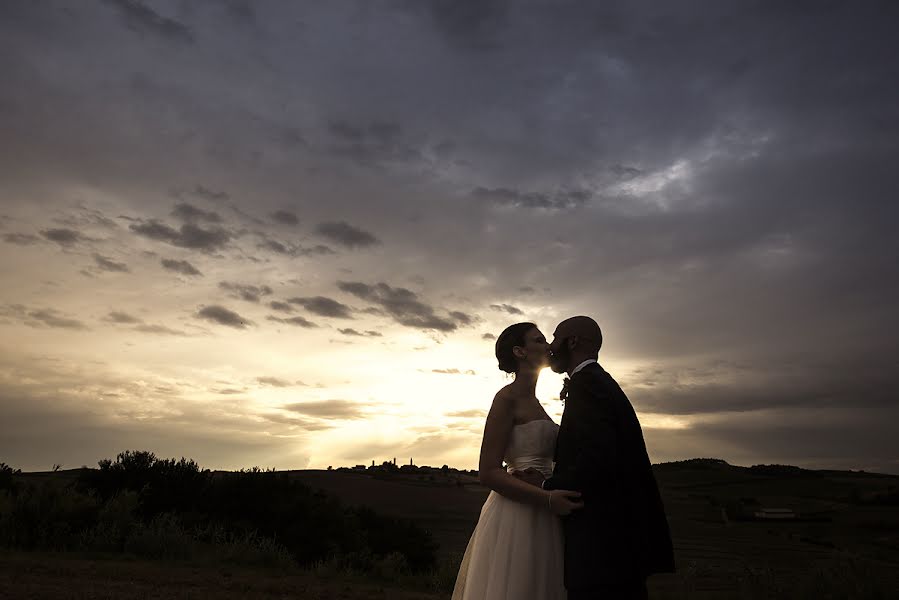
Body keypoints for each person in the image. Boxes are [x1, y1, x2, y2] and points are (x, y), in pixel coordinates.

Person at [526, 316, 676, 599]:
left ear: (572, 341)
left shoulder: (588, 386)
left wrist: (546, 485)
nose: (550, 346)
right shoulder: (599, 382)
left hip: (603, 546)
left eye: (555, 338)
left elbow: (598, 459)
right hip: (619, 546)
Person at [452, 322, 584, 600]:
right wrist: (546, 499)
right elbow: (487, 472)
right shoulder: (506, 399)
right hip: (517, 514)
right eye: (538, 340)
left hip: (547, 513)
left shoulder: (538, 402)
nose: (548, 345)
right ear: (519, 351)